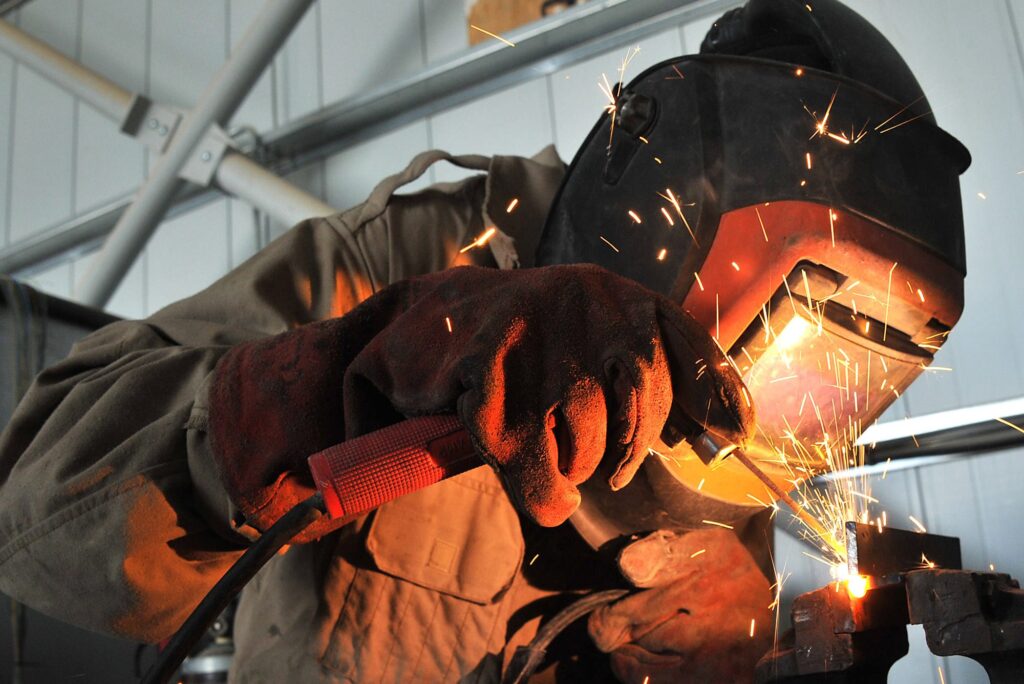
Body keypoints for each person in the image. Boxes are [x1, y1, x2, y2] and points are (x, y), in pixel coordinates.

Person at [0, 1, 968, 681]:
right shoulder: (421, 258)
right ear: (674, 191)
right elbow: (37, 518)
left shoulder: (761, 421)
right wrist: (349, 380)